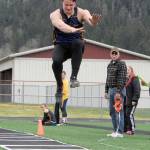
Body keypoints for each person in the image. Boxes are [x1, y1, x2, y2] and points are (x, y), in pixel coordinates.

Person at [50, 0, 102, 124]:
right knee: (55, 62)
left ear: (74, 4)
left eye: (70, 5)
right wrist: (74, 30)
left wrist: (93, 22)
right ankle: (59, 86)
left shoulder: (81, 12)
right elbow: (60, 26)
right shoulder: (55, 14)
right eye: (66, 5)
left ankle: (74, 77)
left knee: (79, 42)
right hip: (61, 46)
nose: (68, 7)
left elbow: (90, 20)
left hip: (75, 48)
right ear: (62, 4)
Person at [105, 47, 127, 138]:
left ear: (118, 54)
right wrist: (106, 91)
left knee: (118, 111)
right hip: (111, 90)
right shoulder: (110, 64)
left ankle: (120, 132)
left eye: (115, 54)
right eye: (112, 54)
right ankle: (115, 130)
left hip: (118, 90)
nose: (114, 55)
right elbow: (107, 79)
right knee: (112, 112)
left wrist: (118, 91)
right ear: (110, 54)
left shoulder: (121, 64)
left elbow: (122, 79)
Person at [124, 66, 141, 135]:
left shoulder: (135, 78)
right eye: (126, 70)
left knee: (130, 114)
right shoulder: (126, 80)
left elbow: (137, 90)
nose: (127, 71)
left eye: (128, 70)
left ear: (131, 71)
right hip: (127, 101)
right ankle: (127, 129)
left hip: (132, 101)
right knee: (126, 114)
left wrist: (134, 99)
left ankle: (132, 130)